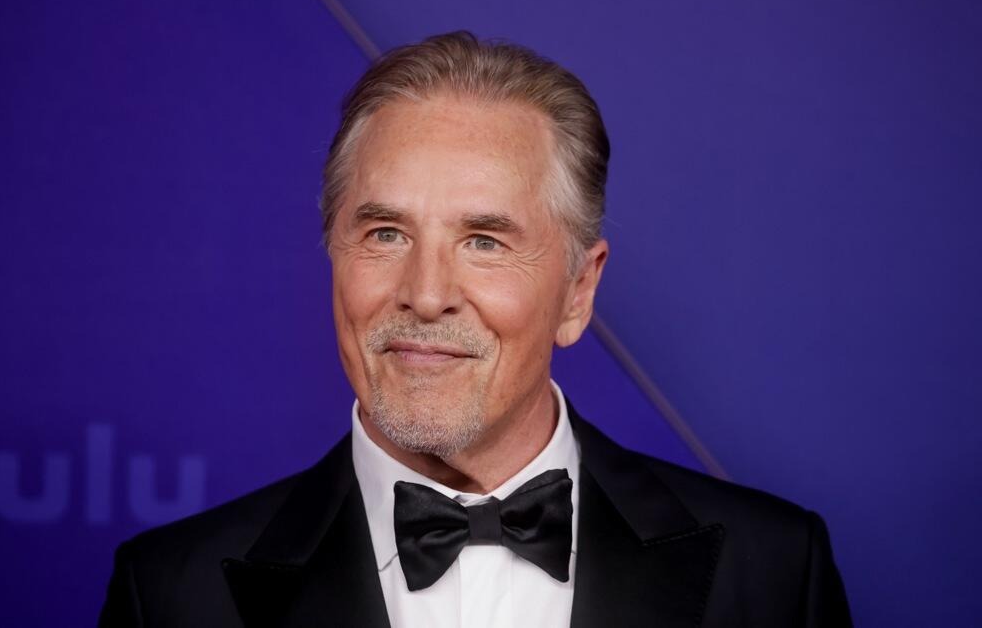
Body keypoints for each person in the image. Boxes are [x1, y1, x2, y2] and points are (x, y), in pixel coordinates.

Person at [99, 31, 851, 627]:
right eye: (386, 233)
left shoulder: (772, 572)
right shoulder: (171, 594)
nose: (426, 295)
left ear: (578, 292)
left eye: (484, 241)